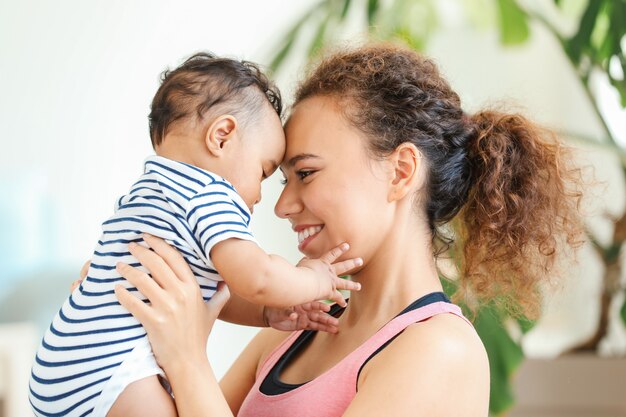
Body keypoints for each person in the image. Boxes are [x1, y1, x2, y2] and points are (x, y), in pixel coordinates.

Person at [119, 43, 582, 416]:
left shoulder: (441, 352)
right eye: (281, 179)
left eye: (306, 173)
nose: (281, 205)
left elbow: (192, 377)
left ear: (401, 171)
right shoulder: (295, 329)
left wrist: (185, 358)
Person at [28, 52, 362, 417]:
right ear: (222, 136)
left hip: (67, 356)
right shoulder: (208, 195)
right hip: (116, 367)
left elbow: (208, 293)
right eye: (263, 172)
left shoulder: (151, 191)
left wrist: (267, 313)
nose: (259, 197)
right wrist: (312, 278)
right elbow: (258, 277)